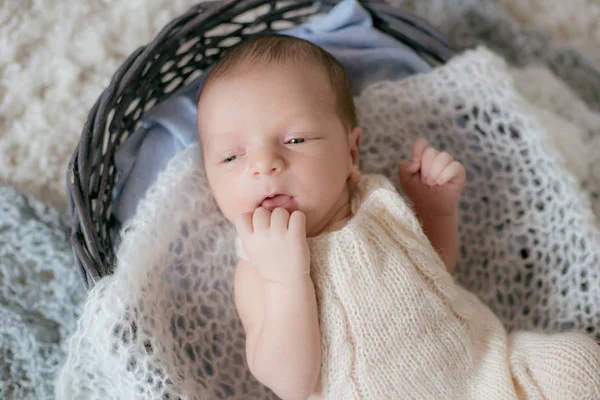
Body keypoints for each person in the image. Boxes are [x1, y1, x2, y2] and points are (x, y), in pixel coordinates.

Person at [196, 34, 600, 400]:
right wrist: (284, 277)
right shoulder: (256, 267)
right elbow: (292, 382)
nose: (264, 164)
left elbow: (437, 271)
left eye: (295, 140)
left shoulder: (378, 203)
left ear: (351, 155)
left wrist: (435, 208)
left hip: (487, 370)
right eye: (232, 156)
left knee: (579, 362)